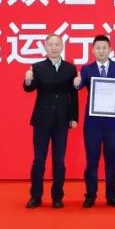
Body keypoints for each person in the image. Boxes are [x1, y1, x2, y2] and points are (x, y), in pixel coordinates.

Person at [73, 35, 115, 207]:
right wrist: (76, 83)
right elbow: (79, 86)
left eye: (104, 48)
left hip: (112, 122)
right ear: (93, 50)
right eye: (98, 48)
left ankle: (111, 195)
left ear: (110, 49)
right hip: (93, 123)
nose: (101, 51)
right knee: (92, 159)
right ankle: (90, 195)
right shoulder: (87, 69)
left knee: (111, 159)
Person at [23, 34, 78, 208]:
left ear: (62, 47)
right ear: (45, 47)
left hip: (62, 119)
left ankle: (57, 196)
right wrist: (28, 80)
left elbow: (73, 95)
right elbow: (29, 89)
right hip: (42, 119)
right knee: (39, 159)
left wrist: (74, 117)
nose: (54, 47)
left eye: (57, 44)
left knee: (59, 160)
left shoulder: (70, 68)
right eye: (51, 45)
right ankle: (35, 196)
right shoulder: (37, 67)